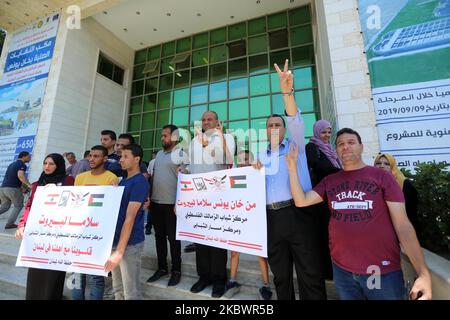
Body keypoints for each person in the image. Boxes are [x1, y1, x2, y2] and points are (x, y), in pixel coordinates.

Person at [286, 127, 432, 300]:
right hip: (343, 272)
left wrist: (423, 273)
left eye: (351, 142)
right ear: (336, 150)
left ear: (361, 147)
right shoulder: (330, 181)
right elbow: (301, 200)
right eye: (340, 144)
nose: (345, 146)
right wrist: (292, 168)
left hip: (378, 271)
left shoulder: (382, 177)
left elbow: (403, 226)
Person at [253, 60, 326, 300]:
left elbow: (294, 116)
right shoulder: (259, 156)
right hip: (271, 219)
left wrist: (286, 91)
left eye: (278, 124)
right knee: (281, 275)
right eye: (269, 125)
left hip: (298, 214)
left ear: (284, 129)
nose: (274, 127)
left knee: (309, 272)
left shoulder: (296, 145)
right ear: (266, 130)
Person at [185, 110, 235, 298]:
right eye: (204, 119)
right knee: (200, 239)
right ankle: (204, 276)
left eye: (210, 119)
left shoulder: (226, 137)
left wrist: (208, 146)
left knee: (217, 240)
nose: (206, 122)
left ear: (217, 121)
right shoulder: (193, 140)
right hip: (197, 196)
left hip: (218, 196)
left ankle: (219, 279)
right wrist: (184, 169)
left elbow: (227, 160)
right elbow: (192, 165)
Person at [15, 153, 74, 299]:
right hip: (39, 235)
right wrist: (22, 224)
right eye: (45, 163)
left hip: (59, 235)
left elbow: (74, 202)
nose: (47, 166)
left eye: (51, 164)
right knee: (36, 273)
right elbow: (29, 206)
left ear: (59, 165)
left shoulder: (68, 180)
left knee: (53, 276)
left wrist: (58, 191)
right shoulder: (37, 184)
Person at [71, 145, 118, 300]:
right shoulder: (80, 178)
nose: (91, 159)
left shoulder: (111, 178)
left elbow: (111, 208)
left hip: (98, 235)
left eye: (96, 156)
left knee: (97, 277)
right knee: (77, 275)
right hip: (78, 232)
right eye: (90, 156)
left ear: (105, 158)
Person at [224, 150, 273, 300]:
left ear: (251, 160)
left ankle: (266, 285)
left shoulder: (258, 173)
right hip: (238, 220)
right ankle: (232, 282)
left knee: (259, 254)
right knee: (234, 253)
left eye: (246, 159)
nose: (242, 162)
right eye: (240, 159)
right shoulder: (233, 176)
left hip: (255, 220)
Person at [104, 144, 149, 300]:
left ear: (136, 159)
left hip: (129, 245)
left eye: (125, 156)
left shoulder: (139, 182)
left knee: (131, 293)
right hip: (115, 241)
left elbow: (130, 218)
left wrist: (119, 251)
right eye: (120, 156)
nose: (120, 160)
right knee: (118, 290)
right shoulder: (122, 182)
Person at [146, 125, 186, 287]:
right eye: (161, 136)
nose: (162, 138)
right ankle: (162, 268)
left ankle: (176, 271)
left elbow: (186, 181)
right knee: (159, 238)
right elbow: (154, 178)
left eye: (165, 136)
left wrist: (180, 202)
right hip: (156, 204)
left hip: (172, 206)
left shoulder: (182, 155)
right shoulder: (159, 155)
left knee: (173, 240)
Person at [305, 120, 342, 280]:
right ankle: (327, 271)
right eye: (323, 132)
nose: (327, 135)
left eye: (329, 132)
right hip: (320, 198)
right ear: (316, 132)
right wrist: (342, 172)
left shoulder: (331, 151)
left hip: (334, 196)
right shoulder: (312, 147)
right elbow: (319, 166)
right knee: (324, 234)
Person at [374, 153, 421, 239]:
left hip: (400, 233)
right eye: (378, 163)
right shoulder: (370, 184)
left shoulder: (404, 184)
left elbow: (411, 213)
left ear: (392, 166)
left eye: (387, 164)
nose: (382, 166)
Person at [0, 151, 32, 229]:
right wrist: (29, 185)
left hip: (3, 188)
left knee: (5, 206)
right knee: (18, 205)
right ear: (23, 156)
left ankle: (10, 223)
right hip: (12, 189)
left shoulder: (11, 164)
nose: (30, 158)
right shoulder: (22, 164)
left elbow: (12, 177)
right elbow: (20, 175)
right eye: (29, 156)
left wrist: (21, 188)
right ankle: (10, 224)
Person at [145, 151, 158, 235]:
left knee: (151, 209)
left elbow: (148, 174)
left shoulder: (152, 162)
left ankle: (148, 228)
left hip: (153, 186)